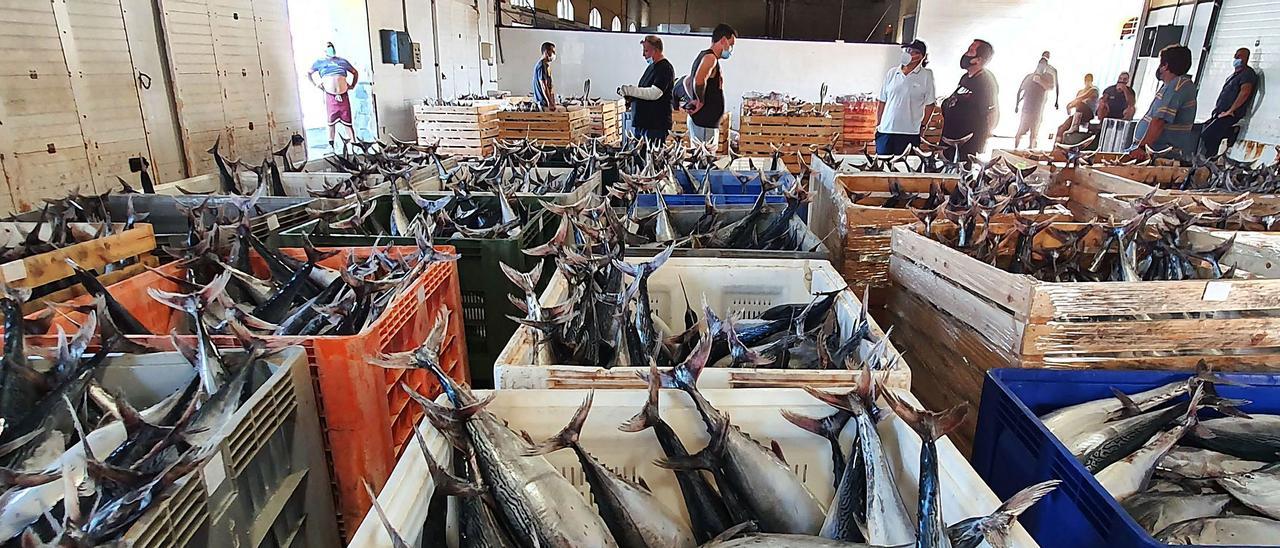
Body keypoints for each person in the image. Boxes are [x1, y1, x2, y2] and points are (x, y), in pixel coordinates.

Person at [1125, 45, 1199, 162]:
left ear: (1165, 66)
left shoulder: (1177, 86)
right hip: (1151, 152)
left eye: (1161, 63)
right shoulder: (1171, 85)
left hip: (1158, 155)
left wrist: (1142, 147)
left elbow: (1159, 121)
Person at [874, 39, 936, 155]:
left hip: (909, 132)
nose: (908, 53)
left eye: (913, 51)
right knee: (882, 167)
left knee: (903, 168)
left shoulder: (926, 75)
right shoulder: (892, 73)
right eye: (907, 50)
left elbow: (930, 104)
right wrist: (879, 123)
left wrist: (923, 126)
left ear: (920, 56)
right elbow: (882, 100)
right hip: (886, 130)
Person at [940, 39, 998, 160]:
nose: (966, 54)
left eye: (971, 51)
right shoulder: (965, 78)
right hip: (951, 140)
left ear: (979, 59)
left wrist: (982, 140)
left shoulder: (986, 82)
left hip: (967, 144)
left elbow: (992, 112)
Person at [1200, 48, 1259, 157]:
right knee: (1210, 137)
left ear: (1246, 58)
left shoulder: (1247, 74)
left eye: (1239, 56)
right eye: (1235, 55)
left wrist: (1231, 110)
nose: (1236, 58)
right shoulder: (1233, 75)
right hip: (1220, 113)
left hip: (1230, 114)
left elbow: (1244, 93)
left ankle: (1230, 133)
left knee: (1207, 136)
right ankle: (1229, 133)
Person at [686, 24, 736, 149]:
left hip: (706, 123)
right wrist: (700, 101)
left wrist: (694, 99)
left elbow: (687, 81)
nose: (731, 49)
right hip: (704, 123)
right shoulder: (710, 58)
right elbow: (698, 81)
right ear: (723, 41)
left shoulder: (705, 56)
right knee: (703, 161)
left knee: (703, 160)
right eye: (731, 44)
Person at [620, 35, 676, 142]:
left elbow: (655, 93)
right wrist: (631, 97)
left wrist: (631, 91)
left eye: (646, 51)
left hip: (655, 126)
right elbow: (644, 90)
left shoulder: (665, 68)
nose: (643, 55)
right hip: (643, 124)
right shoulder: (651, 67)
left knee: (651, 157)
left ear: (655, 50)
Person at [307, 42, 359, 149]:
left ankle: (354, 144)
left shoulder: (342, 61)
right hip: (330, 95)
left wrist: (352, 85)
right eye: (328, 48)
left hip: (343, 95)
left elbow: (355, 72)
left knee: (347, 122)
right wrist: (316, 84)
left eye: (331, 47)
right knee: (331, 122)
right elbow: (309, 73)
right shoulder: (319, 62)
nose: (330, 50)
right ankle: (331, 145)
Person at [1014, 57, 1054, 149]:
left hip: (1038, 109)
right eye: (1040, 64)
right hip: (1026, 107)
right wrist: (1016, 104)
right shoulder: (1029, 76)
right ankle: (1015, 148)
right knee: (1020, 131)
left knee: (1033, 133)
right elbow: (1020, 90)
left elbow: (1050, 87)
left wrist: (1040, 81)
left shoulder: (1047, 77)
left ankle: (1031, 149)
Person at [1055, 74, 1100, 143]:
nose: (1087, 82)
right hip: (1078, 114)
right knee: (1061, 127)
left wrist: (1070, 104)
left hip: (1088, 113)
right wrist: (1070, 106)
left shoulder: (1094, 90)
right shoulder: (1080, 91)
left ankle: (1075, 126)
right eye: (1086, 80)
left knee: (1080, 103)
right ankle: (1058, 143)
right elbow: (1075, 102)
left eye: (1089, 80)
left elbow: (1081, 98)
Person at [532, 42, 557, 111]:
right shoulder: (542, 66)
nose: (554, 54)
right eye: (553, 51)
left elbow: (549, 85)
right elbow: (543, 85)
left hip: (546, 103)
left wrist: (553, 100)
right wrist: (549, 103)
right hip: (543, 104)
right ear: (546, 52)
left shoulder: (547, 66)